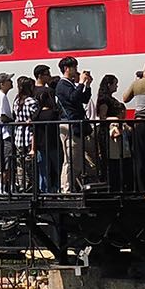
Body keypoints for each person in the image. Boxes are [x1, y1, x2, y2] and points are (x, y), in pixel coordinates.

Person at [55, 56, 91, 192]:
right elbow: (73, 98)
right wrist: (81, 83)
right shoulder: (62, 84)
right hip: (68, 125)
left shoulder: (69, 84)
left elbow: (83, 99)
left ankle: (70, 187)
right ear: (66, 69)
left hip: (74, 125)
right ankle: (66, 189)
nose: (76, 70)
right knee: (70, 159)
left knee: (75, 159)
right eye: (74, 67)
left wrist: (87, 86)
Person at [92, 73, 129, 193]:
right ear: (109, 85)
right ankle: (111, 185)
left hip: (113, 130)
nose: (117, 87)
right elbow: (103, 117)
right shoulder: (104, 100)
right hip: (109, 132)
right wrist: (115, 120)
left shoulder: (108, 99)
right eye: (115, 84)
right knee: (110, 160)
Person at [30, 64, 61, 194]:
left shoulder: (31, 91)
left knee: (43, 168)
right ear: (40, 75)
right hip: (51, 138)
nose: (49, 76)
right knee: (57, 165)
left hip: (38, 139)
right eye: (47, 74)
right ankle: (57, 189)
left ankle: (44, 191)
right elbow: (56, 110)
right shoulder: (48, 92)